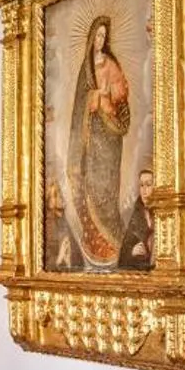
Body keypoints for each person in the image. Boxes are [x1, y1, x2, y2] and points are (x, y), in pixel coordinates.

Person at [66, 16, 132, 269]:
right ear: (91, 38)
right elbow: (80, 105)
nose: (101, 40)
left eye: (104, 36)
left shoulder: (111, 64)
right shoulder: (85, 70)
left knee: (105, 185)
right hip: (90, 135)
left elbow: (121, 93)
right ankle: (94, 243)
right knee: (89, 181)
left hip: (108, 134)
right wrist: (94, 95)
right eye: (98, 35)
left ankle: (112, 243)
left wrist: (108, 95)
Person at [116, 168, 156, 270]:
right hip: (140, 273)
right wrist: (132, 252)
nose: (144, 190)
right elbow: (121, 259)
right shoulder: (134, 217)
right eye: (141, 185)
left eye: (148, 185)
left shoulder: (165, 214)